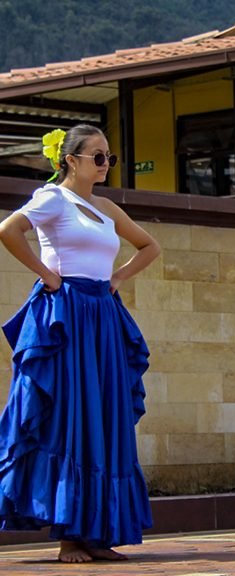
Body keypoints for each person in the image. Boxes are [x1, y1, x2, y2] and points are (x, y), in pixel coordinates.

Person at [0, 125, 160, 562]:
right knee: (70, 415)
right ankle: (70, 534)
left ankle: (97, 532)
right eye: (98, 156)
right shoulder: (52, 198)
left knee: (103, 414)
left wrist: (118, 278)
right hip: (65, 316)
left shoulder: (106, 206)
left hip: (102, 316)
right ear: (70, 160)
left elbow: (149, 246)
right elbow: (9, 230)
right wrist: (48, 275)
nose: (106, 164)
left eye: (109, 157)